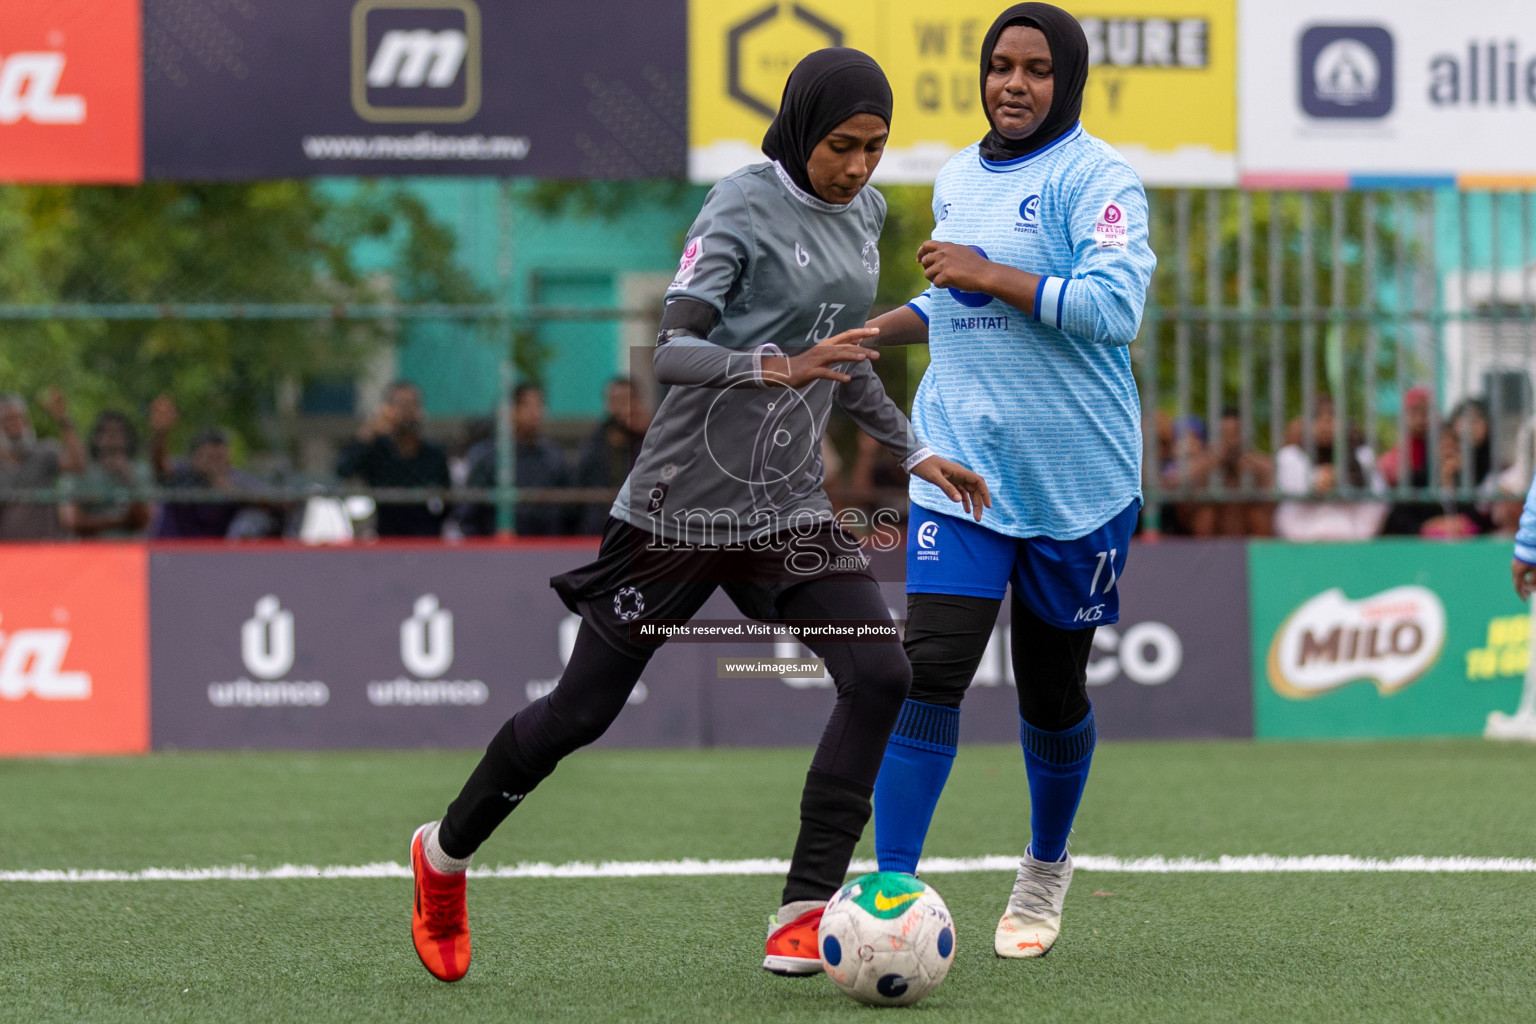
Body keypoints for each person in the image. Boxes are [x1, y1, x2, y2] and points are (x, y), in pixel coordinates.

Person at [405, 47, 990, 984]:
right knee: (579, 713)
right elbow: (671, 350)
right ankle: (443, 858)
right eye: (844, 145)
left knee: (881, 673)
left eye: (876, 148)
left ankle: (804, 912)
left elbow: (842, 358)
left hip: (787, 513)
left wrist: (917, 451)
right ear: (802, 129)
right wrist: (772, 365)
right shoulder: (740, 204)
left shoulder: (869, 214)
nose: (859, 167)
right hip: (677, 511)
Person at [860, 3, 1156, 959]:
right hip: (963, 474)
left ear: (1065, 80)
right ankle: (890, 890)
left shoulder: (1098, 178)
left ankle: (1044, 865)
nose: (1013, 84)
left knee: (1051, 694)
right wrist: (864, 334)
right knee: (928, 672)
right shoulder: (955, 177)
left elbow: (1114, 309)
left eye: (1034, 69)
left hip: (1078, 484)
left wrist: (991, 275)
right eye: (999, 66)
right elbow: (952, 300)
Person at [336, 381, 451, 538]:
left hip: (426, 539)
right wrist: (369, 432)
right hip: (384, 538)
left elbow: (448, 499)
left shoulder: (434, 453)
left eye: (412, 405)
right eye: (401, 406)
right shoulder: (376, 450)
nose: (407, 412)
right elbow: (343, 470)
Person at [151, 397, 276, 539]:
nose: (215, 465)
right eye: (210, 458)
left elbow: (274, 503)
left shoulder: (236, 479)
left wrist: (231, 492)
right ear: (194, 457)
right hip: (175, 550)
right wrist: (161, 434)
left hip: (217, 554)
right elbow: (160, 467)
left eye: (221, 459)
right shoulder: (183, 473)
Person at [461, 383, 573, 536]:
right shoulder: (486, 457)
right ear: (511, 411)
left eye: (540, 405)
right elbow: (469, 514)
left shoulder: (554, 458)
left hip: (548, 549)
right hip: (497, 551)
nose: (536, 413)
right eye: (528, 406)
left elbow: (568, 513)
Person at [0, 389, 86, 540]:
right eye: (8, 419)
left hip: (43, 552)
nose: (16, 425)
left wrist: (64, 419)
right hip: (7, 553)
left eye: (20, 418)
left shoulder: (45, 453)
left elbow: (78, 465)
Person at [573, 376, 650, 534]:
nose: (623, 408)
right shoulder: (593, 446)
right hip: (599, 528)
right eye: (617, 400)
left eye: (628, 400)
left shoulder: (648, 443)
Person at [61, 411, 153, 539]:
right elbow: (72, 521)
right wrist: (120, 521)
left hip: (131, 551)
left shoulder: (140, 470)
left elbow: (144, 520)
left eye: (117, 433)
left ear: (128, 438)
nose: (111, 438)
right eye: (105, 432)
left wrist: (128, 479)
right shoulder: (81, 471)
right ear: (96, 438)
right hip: (90, 551)